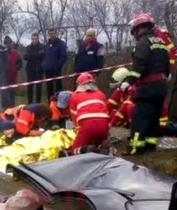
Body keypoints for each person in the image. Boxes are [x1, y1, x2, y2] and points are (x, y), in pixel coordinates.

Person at [119, 13, 170, 154]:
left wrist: (128, 82)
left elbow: (139, 65)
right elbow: (167, 65)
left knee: (139, 119)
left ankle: (136, 148)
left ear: (139, 29)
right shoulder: (161, 42)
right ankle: (150, 147)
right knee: (154, 118)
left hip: (148, 87)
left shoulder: (143, 42)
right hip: (161, 86)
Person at [69, 73, 110, 154]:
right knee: (98, 143)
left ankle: (87, 150)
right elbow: (106, 111)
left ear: (78, 84)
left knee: (75, 150)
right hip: (103, 124)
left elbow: (74, 116)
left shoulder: (75, 95)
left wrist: (78, 129)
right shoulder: (101, 94)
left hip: (87, 124)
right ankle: (103, 146)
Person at [43, 28, 68, 101]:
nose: (52, 35)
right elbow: (44, 56)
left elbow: (64, 57)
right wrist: (44, 64)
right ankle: (50, 103)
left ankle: (59, 103)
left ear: (56, 34)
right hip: (48, 69)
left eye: (53, 33)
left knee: (58, 87)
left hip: (57, 69)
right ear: (48, 34)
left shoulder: (61, 44)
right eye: (51, 34)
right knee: (49, 87)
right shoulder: (47, 44)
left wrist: (57, 65)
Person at [24, 33, 45, 104]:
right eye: (33, 39)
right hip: (30, 70)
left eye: (35, 39)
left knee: (39, 88)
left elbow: (42, 55)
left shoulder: (42, 47)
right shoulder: (28, 47)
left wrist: (32, 55)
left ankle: (38, 104)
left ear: (38, 39)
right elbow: (25, 57)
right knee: (30, 87)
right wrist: (37, 54)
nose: (34, 40)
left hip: (39, 70)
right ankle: (30, 103)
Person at [3, 36, 22, 107]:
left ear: (11, 43)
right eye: (6, 43)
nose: (8, 44)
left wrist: (16, 68)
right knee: (5, 92)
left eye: (9, 43)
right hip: (4, 76)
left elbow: (20, 62)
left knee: (12, 91)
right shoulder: (3, 53)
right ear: (5, 44)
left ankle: (12, 105)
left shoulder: (15, 52)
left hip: (13, 75)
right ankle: (5, 106)